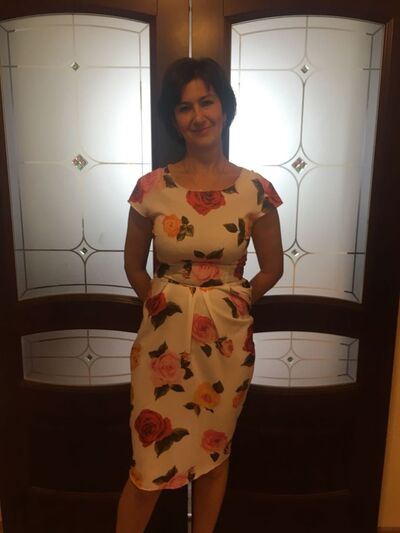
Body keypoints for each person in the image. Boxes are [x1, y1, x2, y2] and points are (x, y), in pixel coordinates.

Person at [116, 57, 283, 533]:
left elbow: (272, 268)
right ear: (174, 120)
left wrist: (236, 302)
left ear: (224, 109)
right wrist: (162, 302)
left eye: (206, 102)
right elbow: (132, 265)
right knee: (148, 465)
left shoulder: (256, 190)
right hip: (161, 344)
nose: (198, 116)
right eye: (184, 107)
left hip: (226, 344)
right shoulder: (151, 188)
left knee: (214, 452)